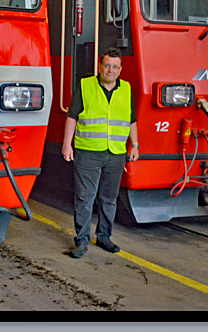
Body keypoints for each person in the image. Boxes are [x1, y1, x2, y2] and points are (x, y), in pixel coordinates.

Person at [62, 47, 139, 259]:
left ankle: (104, 236)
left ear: (120, 69)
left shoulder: (126, 89)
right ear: (100, 66)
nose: (110, 70)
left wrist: (136, 145)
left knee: (109, 199)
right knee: (84, 198)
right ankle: (82, 240)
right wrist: (66, 144)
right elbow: (72, 117)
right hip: (88, 152)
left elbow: (131, 119)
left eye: (115, 66)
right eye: (107, 65)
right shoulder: (85, 86)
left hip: (115, 153)